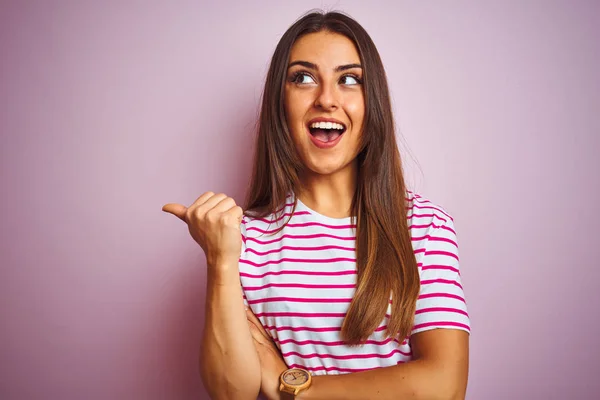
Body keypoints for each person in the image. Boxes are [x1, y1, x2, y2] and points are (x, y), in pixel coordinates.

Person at [163, 10, 470, 400]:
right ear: (280, 103)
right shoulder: (244, 240)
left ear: (371, 103)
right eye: (303, 78)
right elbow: (230, 393)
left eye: (349, 80)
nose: (326, 99)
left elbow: (446, 387)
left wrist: (295, 389)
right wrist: (221, 261)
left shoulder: (426, 228)